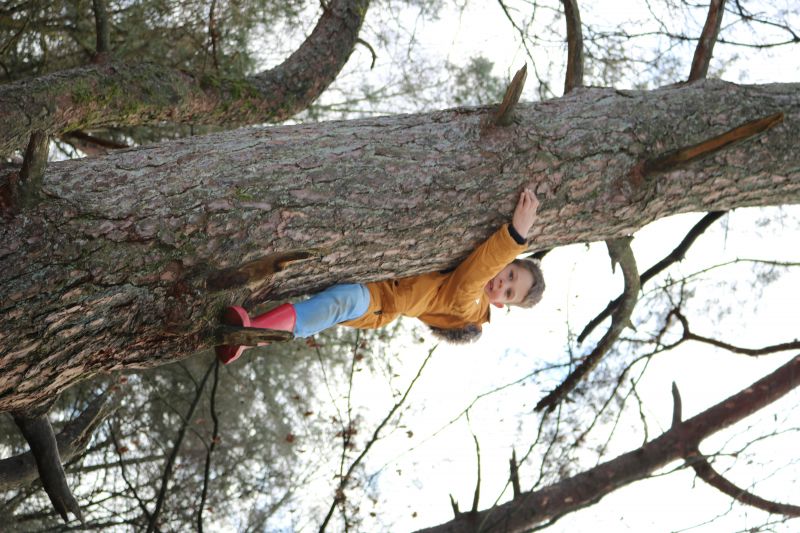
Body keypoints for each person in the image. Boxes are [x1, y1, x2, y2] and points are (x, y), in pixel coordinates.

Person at [215, 188, 545, 364]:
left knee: (340, 302)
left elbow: (470, 279)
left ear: (502, 306)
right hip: (377, 275)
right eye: (512, 274)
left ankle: (251, 335)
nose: (503, 284)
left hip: (380, 302)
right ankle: (250, 332)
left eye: (509, 292)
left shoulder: (470, 312)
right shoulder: (478, 283)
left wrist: (514, 237)